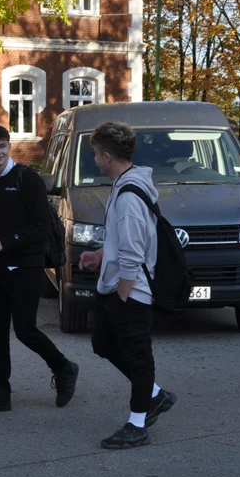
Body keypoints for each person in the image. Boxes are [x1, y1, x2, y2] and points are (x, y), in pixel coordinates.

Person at [0, 124, 80, 414]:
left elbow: (40, 229)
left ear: (9, 145)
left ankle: (64, 368)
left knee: (26, 331)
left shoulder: (28, 179)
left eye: (2, 145)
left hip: (27, 268)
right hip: (1, 271)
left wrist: (1, 246)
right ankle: (0, 394)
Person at [78, 121, 177, 449]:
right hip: (116, 284)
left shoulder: (130, 195)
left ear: (107, 156)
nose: (94, 160)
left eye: (95, 154)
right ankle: (154, 394)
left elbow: (134, 251)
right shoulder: (124, 186)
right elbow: (123, 240)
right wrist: (100, 255)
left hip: (131, 289)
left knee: (137, 354)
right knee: (103, 343)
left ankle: (137, 424)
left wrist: (123, 294)